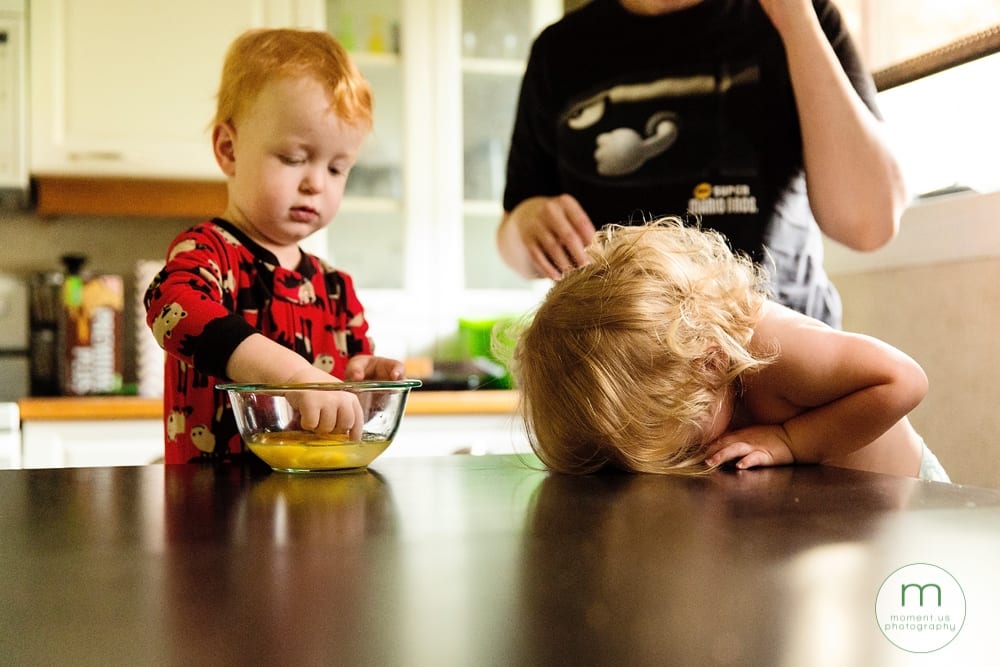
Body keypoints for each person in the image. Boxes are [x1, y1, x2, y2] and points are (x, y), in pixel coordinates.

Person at [498, 0, 907, 328]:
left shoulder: (802, 15)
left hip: (782, 367)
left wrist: (795, 17)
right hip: (622, 383)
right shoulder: (559, 51)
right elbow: (512, 237)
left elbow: (868, 224)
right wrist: (524, 225)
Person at [505, 218, 950, 481]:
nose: (694, 456)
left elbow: (903, 380)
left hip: (910, 499)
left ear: (711, 359)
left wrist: (790, 441)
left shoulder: (778, 347)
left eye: (686, 445)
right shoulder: (695, 366)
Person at [145, 28, 404, 464]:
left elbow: (340, 388)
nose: (315, 183)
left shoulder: (335, 288)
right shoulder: (210, 252)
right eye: (293, 158)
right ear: (229, 150)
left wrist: (359, 377)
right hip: (213, 511)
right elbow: (172, 306)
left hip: (314, 507)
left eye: (338, 168)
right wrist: (292, 375)